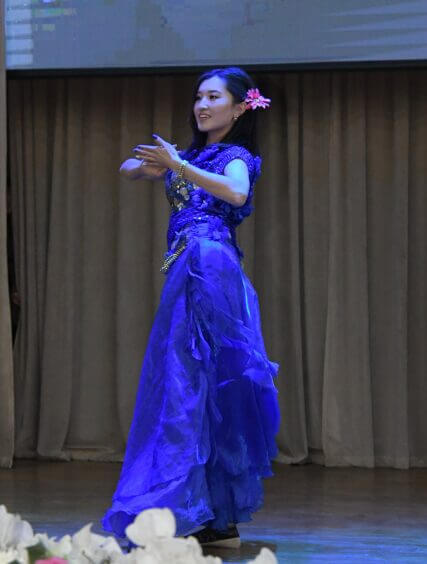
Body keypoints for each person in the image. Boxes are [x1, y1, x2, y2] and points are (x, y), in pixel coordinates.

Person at [102, 67, 280, 549]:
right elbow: (127, 169)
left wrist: (178, 165)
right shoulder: (193, 155)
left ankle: (202, 510)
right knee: (188, 385)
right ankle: (208, 512)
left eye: (214, 97)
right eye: (199, 96)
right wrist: (152, 165)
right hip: (189, 267)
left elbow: (237, 192)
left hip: (209, 265)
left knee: (197, 383)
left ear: (239, 108)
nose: (202, 105)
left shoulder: (235, 156)